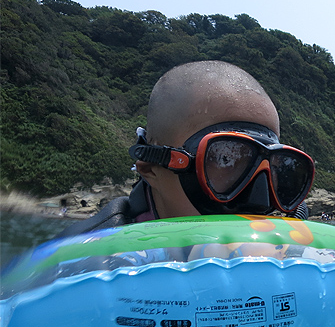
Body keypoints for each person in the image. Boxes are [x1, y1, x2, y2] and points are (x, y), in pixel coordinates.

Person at [56, 60, 314, 239]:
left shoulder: (298, 243)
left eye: (279, 168)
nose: (261, 201)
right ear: (151, 169)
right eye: (226, 158)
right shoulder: (80, 261)